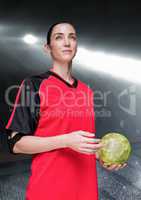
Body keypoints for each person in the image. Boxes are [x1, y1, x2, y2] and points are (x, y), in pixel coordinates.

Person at [5, 22, 127, 200]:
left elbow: (82, 142)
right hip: (48, 191)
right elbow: (16, 143)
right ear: (48, 48)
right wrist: (65, 141)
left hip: (86, 192)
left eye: (72, 37)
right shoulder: (35, 85)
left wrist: (101, 155)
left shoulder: (86, 91)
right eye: (59, 37)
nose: (67, 42)